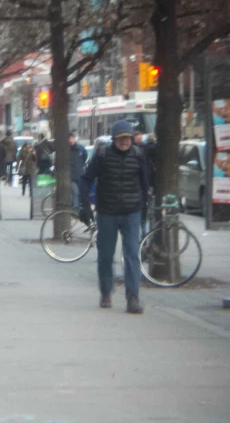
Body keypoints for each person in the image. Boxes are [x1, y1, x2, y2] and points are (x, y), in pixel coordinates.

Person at [79, 120, 150, 314]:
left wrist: (145, 207)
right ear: (114, 140)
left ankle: (132, 297)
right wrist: (84, 205)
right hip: (107, 213)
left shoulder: (138, 155)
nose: (124, 142)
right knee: (105, 255)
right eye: (120, 139)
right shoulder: (102, 155)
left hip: (131, 212)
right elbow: (86, 179)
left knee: (132, 256)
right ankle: (105, 292)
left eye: (127, 138)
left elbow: (145, 183)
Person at [69, 133, 88, 208]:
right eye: (69, 138)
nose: (70, 140)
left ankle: (80, 208)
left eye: (71, 138)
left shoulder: (81, 148)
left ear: (73, 138)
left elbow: (85, 158)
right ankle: (76, 211)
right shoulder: (67, 150)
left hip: (80, 175)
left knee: (80, 193)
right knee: (75, 193)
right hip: (71, 177)